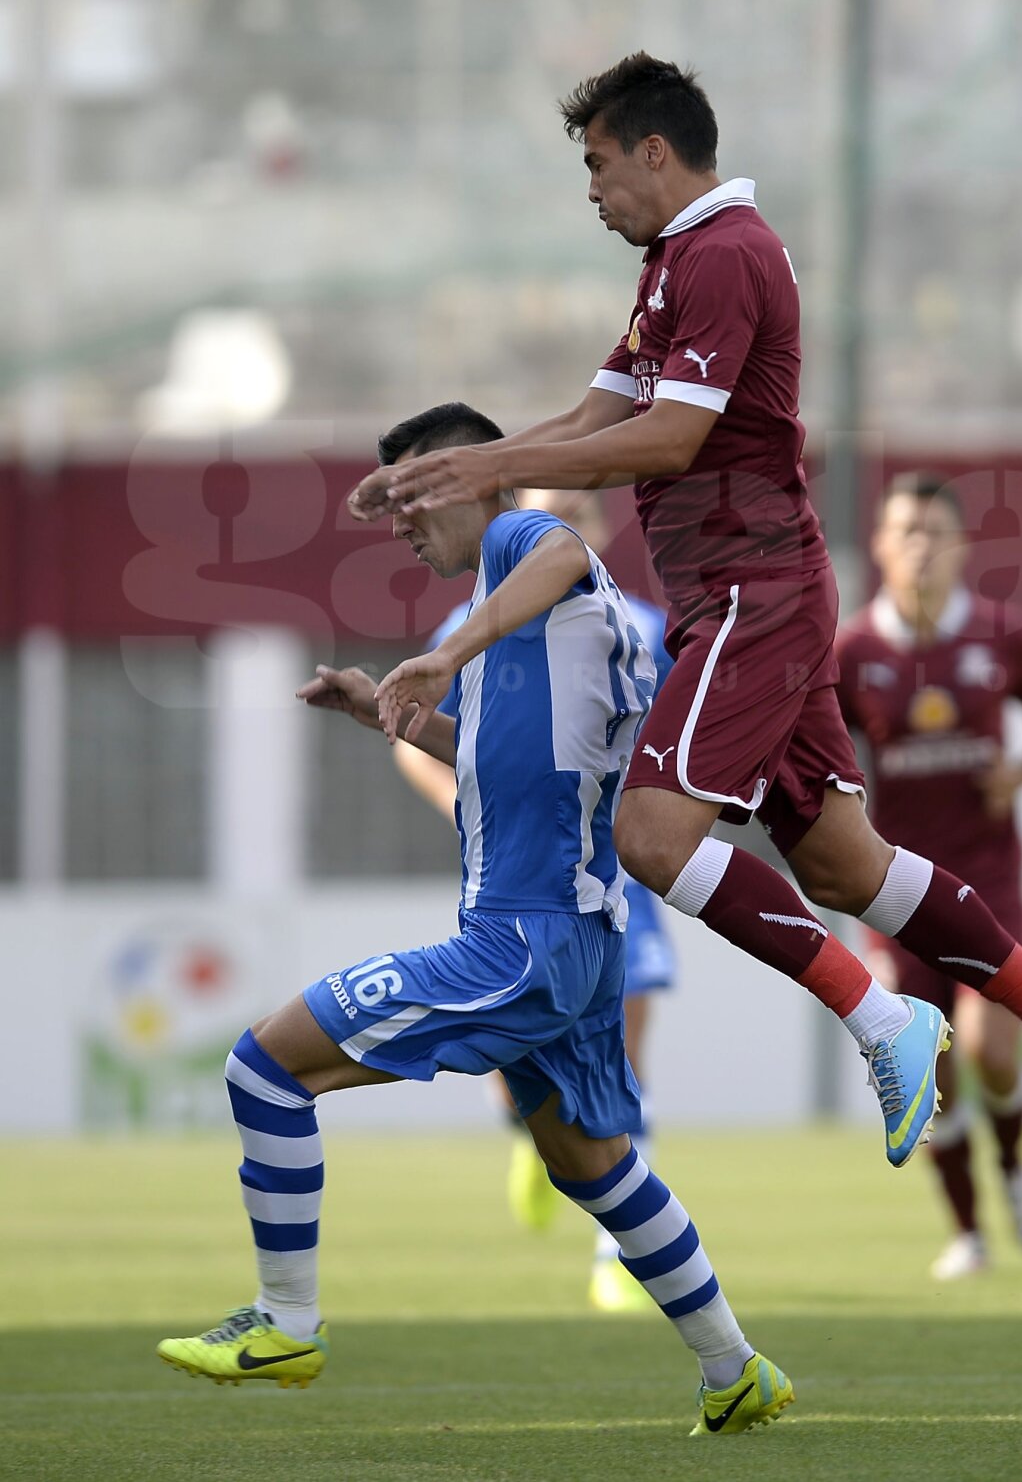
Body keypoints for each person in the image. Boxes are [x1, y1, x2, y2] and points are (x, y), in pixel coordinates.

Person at [348, 52, 1022, 1183]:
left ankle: (882, 1019)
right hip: (745, 593)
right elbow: (598, 411)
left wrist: (479, 465)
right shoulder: (675, 263)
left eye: (596, 163)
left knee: (651, 836)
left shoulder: (726, 253)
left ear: (654, 151)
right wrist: (465, 467)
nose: (590, 190)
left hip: (750, 592)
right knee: (843, 863)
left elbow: (667, 441)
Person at [157, 401, 794, 1437]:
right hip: (580, 939)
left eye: (416, 493)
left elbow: (560, 551)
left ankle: (286, 1320)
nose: (405, 522)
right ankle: (736, 1365)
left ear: (470, 476)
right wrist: (390, 712)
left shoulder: (522, 543)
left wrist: (454, 653)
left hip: (524, 937)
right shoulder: (528, 622)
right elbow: (517, 765)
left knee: (264, 1066)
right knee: (592, 1161)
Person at [393, 481, 677, 1313]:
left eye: (577, 515)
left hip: (615, 867)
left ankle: (614, 1253)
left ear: (597, 528)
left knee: (623, 1056)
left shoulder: (647, 630)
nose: (563, 529)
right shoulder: (467, 630)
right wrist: (465, 800)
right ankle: (528, 1132)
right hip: (516, 873)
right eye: (548, 515)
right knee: (518, 1063)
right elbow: (414, 732)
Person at [837, 473, 1022, 1279]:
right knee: (929, 1066)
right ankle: (969, 1232)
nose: (921, 546)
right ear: (881, 546)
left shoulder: (1005, 633)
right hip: (894, 888)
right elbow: (813, 748)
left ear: (963, 546)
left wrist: (1017, 773)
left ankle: (1013, 1172)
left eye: (936, 531)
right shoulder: (852, 651)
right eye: (906, 530)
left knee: (992, 1050)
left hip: (988, 879)